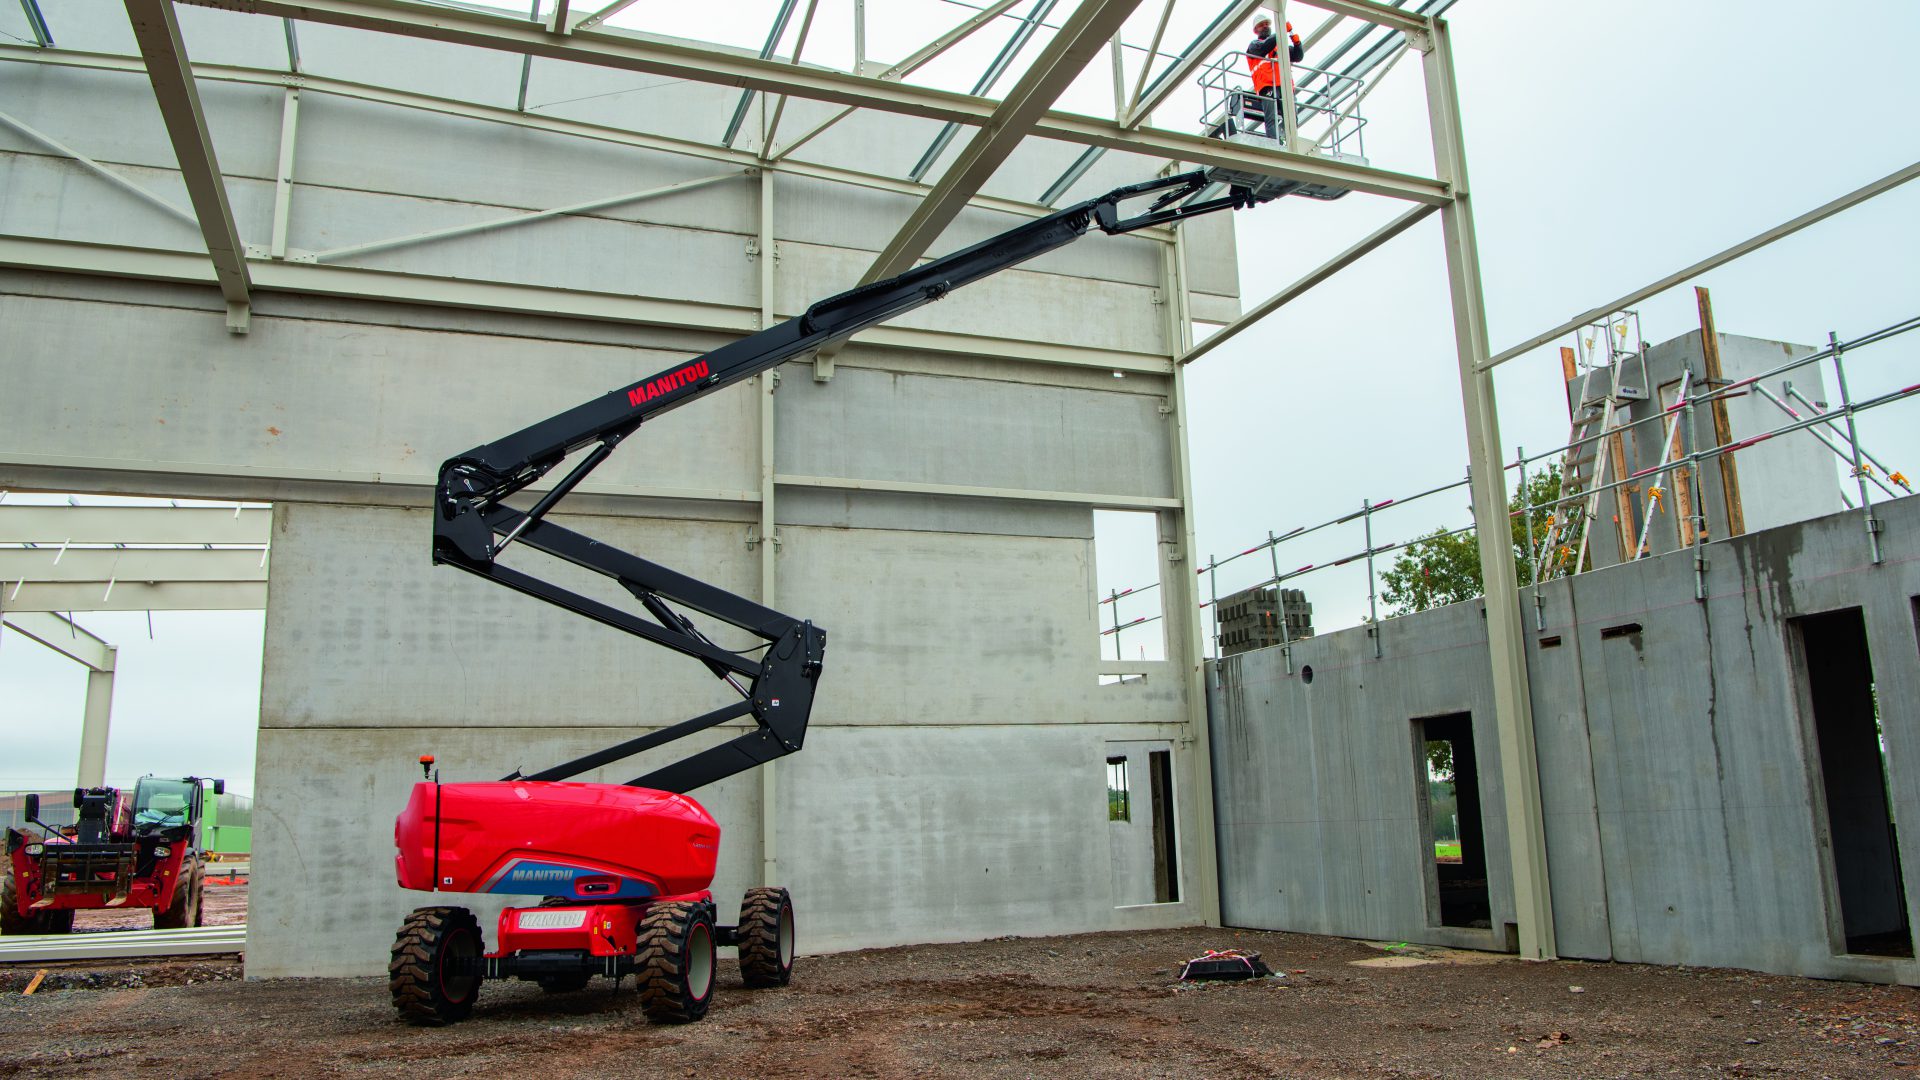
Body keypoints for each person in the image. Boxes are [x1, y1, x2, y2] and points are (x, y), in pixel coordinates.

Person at [1244, 16, 1304, 139]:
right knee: (1271, 118)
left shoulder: (1279, 47)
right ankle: (1274, 144)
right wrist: (1282, 30)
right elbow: (1265, 46)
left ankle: (1289, 142)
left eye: (1267, 24)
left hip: (1285, 85)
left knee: (1292, 118)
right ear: (1256, 30)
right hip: (1267, 86)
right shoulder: (1254, 46)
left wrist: (1297, 43)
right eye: (1262, 25)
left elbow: (1297, 56)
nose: (1265, 26)